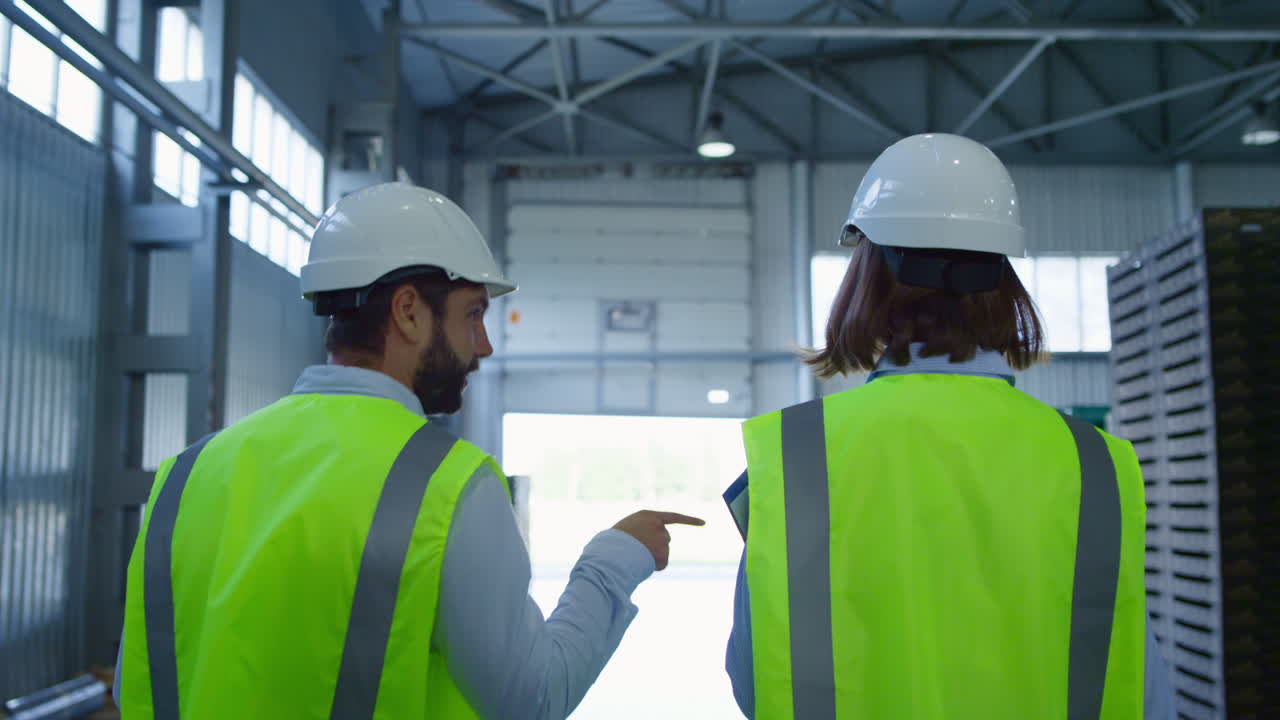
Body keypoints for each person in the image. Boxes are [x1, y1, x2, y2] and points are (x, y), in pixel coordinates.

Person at [114, 182, 704, 719]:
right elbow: (533, 697)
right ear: (408, 312)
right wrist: (612, 562)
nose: (485, 345)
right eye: (473, 314)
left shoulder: (186, 475)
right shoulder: (445, 485)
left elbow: (137, 684)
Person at [724, 134, 1175, 719]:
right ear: (1004, 283)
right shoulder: (1096, 463)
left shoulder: (799, 456)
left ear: (870, 276)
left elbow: (754, 674)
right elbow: (1143, 689)